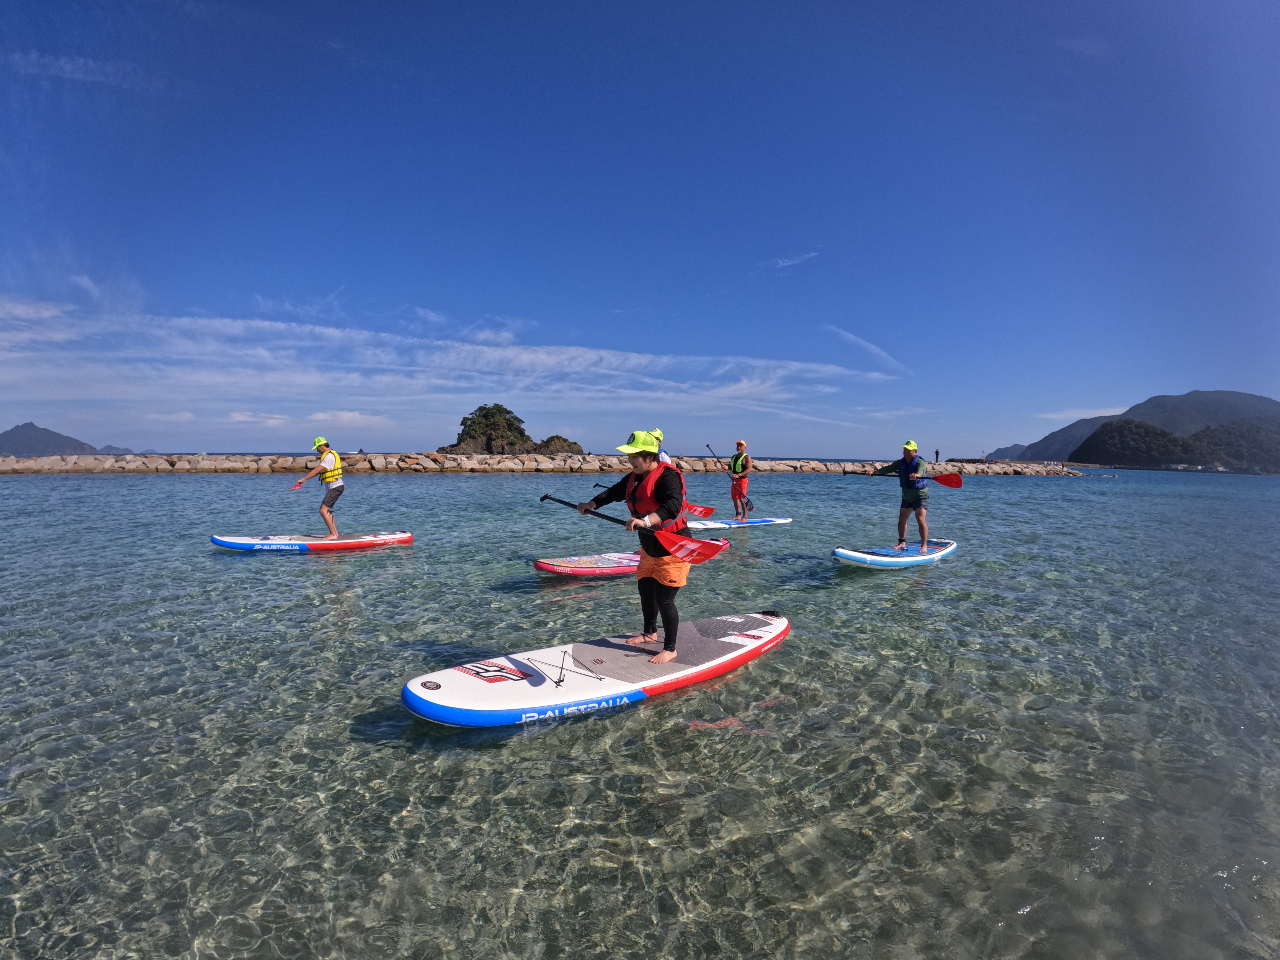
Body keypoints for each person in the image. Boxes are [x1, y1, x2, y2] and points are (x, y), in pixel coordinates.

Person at [577, 430, 690, 664]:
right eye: (629, 456)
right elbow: (615, 492)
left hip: (673, 547)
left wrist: (645, 521)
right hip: (649, 547)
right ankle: (650, 633)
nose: (629, 460)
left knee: (664, 599)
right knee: (646, 591)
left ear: (649, 456)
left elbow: (673, 506)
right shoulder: (634, 476)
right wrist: (592, 504)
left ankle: (670, 648)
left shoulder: (668, 476)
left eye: (633, 456)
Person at [866, 440, 930, 554]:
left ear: (915, 451)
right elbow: (887, 469)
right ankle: (902, 542)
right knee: (901, 520)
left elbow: (920, 471)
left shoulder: (920, 462)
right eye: (904, 450)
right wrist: (874, 473)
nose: (905, 453)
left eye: (908, 451)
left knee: (920, 519)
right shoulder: (900, 462)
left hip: (920, 496)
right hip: (906, 496)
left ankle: (924, 545)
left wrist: (917, 475)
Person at [296, 437, 344, 540]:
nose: (317, 450)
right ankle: (335, 533)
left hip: (335, 487)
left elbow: (317, 470)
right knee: (327, 511)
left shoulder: (328, 457)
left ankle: (333, 534)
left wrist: (304, 479)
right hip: (336, 487)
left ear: (322, 445)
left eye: (317, 448)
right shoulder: (331, 454)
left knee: (323, 511)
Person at [727, 440, 752, 521]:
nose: (739, 447)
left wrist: (739, 475)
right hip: (734, 480)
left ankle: (744, 517)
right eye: (738, 446)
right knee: (735, 498)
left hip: (742, 480)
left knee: (742, 498)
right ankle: (738, 515)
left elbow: (749, 469)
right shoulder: (733, 457)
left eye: (741, 446)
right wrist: (726, 467)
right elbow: (731, 467)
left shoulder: (746, 457)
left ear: (745, 447)